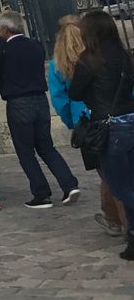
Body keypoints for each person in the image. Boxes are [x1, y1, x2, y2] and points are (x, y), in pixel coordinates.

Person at [0, 11, 79, 209]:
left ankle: (41, 194)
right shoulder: (35, 45)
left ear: (5, 29)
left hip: (18, 102)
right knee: (46, 147)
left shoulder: (3, 47)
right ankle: (69, 184)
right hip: (40, 100)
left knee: (25, 151)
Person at [67, 10, 134, 260]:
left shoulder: (89, 59)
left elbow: (75, 93)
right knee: (130, 181)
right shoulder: (124, 55)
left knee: (119, 185)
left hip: (109, 125)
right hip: (130, 118)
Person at [50, 15, 124, 237]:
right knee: (115, 172)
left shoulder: (58, 62)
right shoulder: (100, 54)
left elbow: (60, 98)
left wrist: (72, 121)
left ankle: (117, 219)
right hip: (117, 113)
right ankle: (114, 216)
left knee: (108, 174)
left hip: (87, 122)